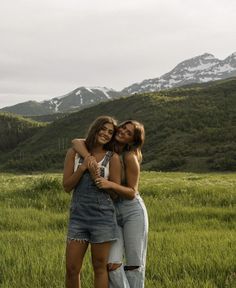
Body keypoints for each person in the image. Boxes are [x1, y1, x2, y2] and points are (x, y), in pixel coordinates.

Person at [72, 119, 148, 288]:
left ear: (132, 140)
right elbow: (76, 142)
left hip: (132, 212)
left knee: (134, 265)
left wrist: (110, 184)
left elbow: (132, 192)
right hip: (111, 211)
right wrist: (89, 159)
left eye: (129, 133)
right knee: (112, 264)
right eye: (123, 128)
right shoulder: (108, 148)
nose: (123, 132)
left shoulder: (129, 157)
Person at [63, 116, 121, 288]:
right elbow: (67, 186)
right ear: (95, 128)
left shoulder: (113, 158)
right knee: (72, 268)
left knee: (99, 268)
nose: (106, 134)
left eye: (110, 132)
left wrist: (100, 180)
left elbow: (115, 194)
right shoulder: (74, 153)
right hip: (78, 219)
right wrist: (82, 168)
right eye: (103, 129)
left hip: (102, 219)